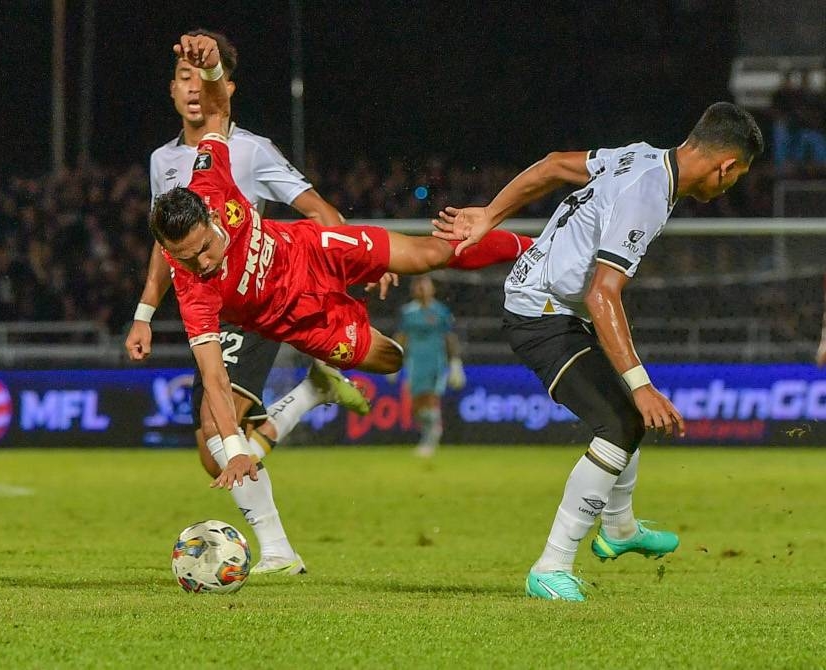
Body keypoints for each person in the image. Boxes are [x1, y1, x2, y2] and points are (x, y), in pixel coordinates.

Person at [152, 33, 532, 491]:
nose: (199, 263)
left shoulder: (212, 175)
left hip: (313, 250)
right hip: (291, 317)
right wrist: (234, 453)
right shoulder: (191, 284)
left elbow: (217, 114)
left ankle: (532, 246)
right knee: (389, 360)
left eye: (202, 250)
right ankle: (316, 385)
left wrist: (213, 67)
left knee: (427, 253)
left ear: (211, 216)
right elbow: (212, 375)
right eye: (186, 259)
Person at [434, 101, 764, 601]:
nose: (729, 187)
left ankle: (620, 529)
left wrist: (489, 215)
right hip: (540, 314)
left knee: (623, 416)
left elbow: (551, 165)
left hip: (550, 304)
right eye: (736, 178)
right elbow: (602, 294)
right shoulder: (648, 194)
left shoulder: (642, 157)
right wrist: (643, 384)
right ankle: (551, 566)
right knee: (623, 422)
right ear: (727, 166)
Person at [124, 30, 370, 576]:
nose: (192, 89)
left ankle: (279, 552)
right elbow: (169, 245)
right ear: (170, 89)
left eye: (201, 77)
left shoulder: (249, 150)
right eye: (182, 78)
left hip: (257, 299)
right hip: (208, 306)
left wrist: (359, 260)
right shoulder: (162, 160)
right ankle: (309, 396)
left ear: (223, 86)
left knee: (220, 432)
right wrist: (144, 312)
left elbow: (316, 207)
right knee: (209, 451)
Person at [393, 276, 466, 457]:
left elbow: (450, 338)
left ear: (432, 289)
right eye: (418, 286)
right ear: (413, 290)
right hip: (415, 362)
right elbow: (401, 337)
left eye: (425, 285)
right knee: (417, 404)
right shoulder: (408, 312)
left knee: (431, 398)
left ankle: (430, 439)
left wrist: (456, 363)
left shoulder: (440, 311)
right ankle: (429, 433)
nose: (422, 289)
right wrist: (392, 362)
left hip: (435, 361)